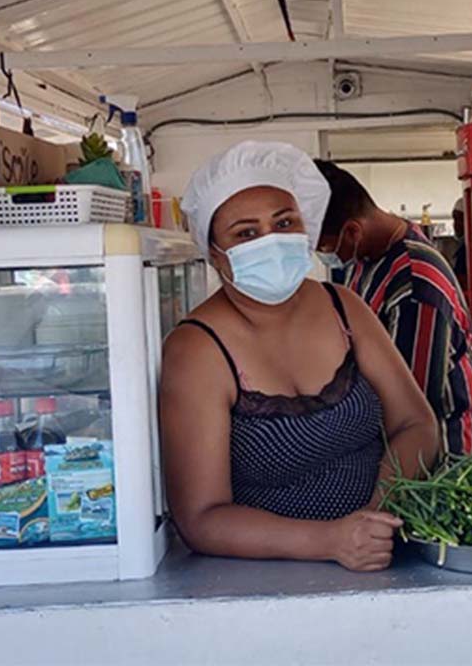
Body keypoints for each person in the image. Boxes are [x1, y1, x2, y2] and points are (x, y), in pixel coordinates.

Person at [159, 141, 441, 572]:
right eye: (246, 233)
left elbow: (416, 423)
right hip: (268, 582)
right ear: (215, 254)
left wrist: (376, 512)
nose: (270, 241)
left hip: (380, 556)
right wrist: (330, 541)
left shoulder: (344, 307)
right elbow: (200, 518)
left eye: (284, 222)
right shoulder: (198, 349)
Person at [313, 160, 472, 456]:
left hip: (437, 451)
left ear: (353, 232)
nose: (324, 257)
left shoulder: (414, 286)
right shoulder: (368, 258)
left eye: (326, 249)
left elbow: (413, 404)